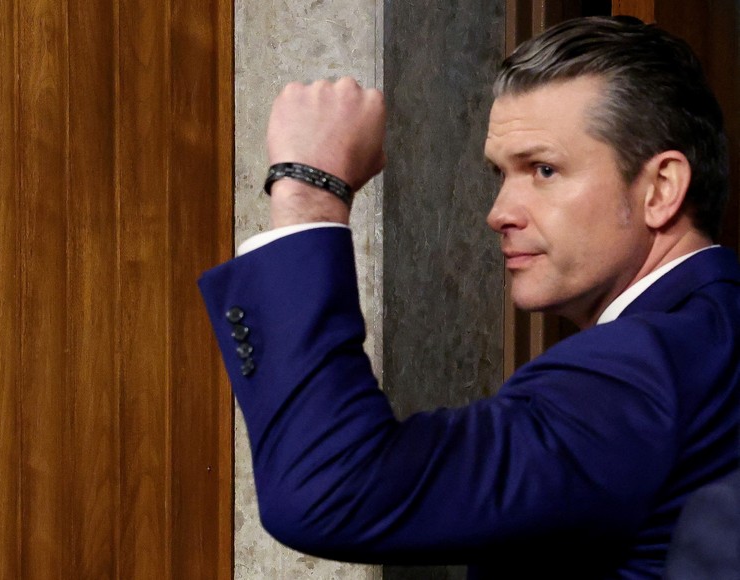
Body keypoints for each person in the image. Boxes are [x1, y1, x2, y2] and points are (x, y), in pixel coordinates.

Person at [198, 16, 740, 578]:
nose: (499, 212)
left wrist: (308, 192)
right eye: (501, 175)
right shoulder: (713, 336)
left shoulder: (641, 369)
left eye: (544, 170)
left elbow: (330, 487)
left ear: (661, 189)